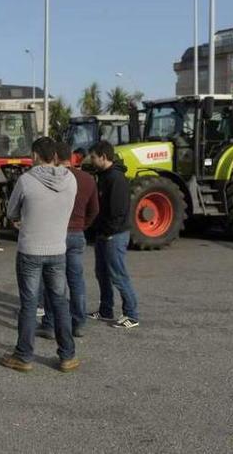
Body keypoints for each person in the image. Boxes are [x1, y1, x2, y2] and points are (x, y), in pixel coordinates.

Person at [1, 137, 79, 374]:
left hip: (30, 250)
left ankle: (24, 356)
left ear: (35, 155)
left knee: (29, 304)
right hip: (57, 249)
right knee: (59, 302)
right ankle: (67, 355)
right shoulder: (71, 180)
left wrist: (22, 220)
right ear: (55, 156)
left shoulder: (26, 181)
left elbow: (11, 211)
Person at [38, 142, 99, 339]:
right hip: (77, 234)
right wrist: (83, 225)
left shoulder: (51, 179)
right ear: (72, 157)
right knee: (76, 280)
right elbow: (94, 209)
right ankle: (78, 322)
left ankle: (49, 323)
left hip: (56, 234)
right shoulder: (88, 179)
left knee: (53, 281)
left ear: (54, 157)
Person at [87, 141, 139, 329]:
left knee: (118, 275)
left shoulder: (116, 179)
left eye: (93, 157)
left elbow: (117, 211)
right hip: (104, 234)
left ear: (103, 156)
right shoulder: (103, 176)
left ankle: (131, 315)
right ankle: (106, 309)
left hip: (114, 235)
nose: (91, 160)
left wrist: (108, 232)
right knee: (102, 273)